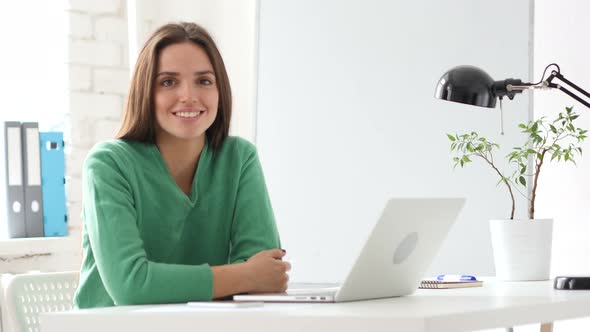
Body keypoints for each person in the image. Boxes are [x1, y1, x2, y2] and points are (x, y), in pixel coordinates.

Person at [73, 22, 290, 308]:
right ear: (146, 93)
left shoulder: (240, 159)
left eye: (204, 81)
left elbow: (264, 278)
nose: (188, 96)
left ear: (219, 90)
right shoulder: (108, 165)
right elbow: (131, 287)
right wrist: (245, 276)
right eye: (168, 82)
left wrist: (250, 277)